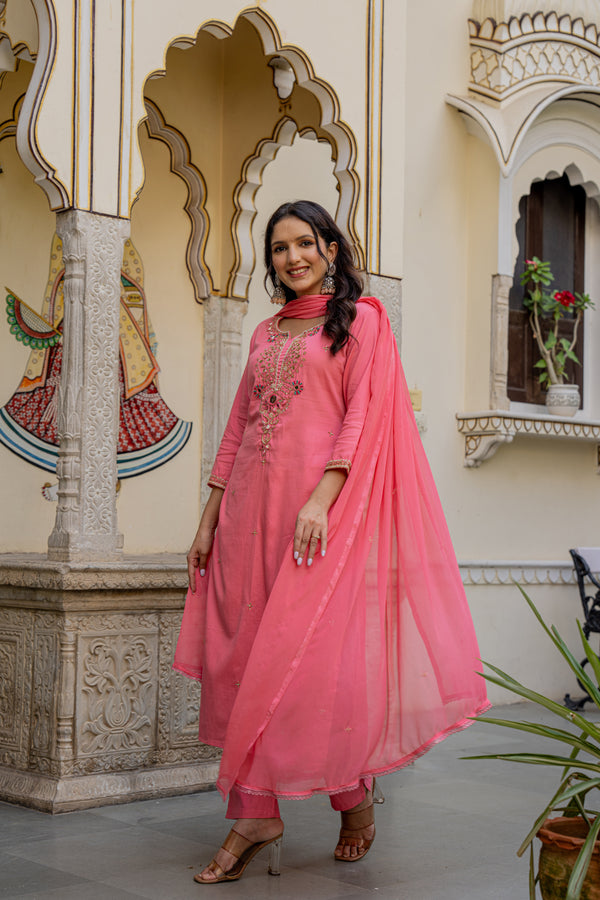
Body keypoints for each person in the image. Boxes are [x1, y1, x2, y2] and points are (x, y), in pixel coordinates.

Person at [174, 200, 488, 884]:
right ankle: (259, 807)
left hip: (315, 518)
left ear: (332, 249)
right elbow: (236, 431)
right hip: (247, 518)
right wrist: (208, 518)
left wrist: (322, 499)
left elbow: (361, 419)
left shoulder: (362, 323)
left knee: (311, 665)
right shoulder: (264, 334)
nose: (292, 257)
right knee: (246, 657)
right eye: (279, 247)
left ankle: (346, 797)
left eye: (304, 243)